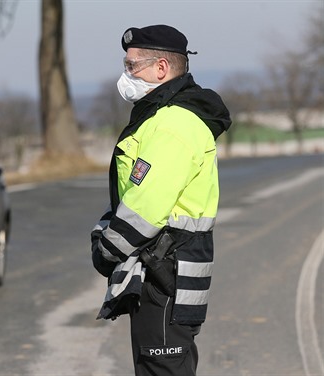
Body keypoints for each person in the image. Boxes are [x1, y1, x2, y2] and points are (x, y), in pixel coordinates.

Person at [90, 24, 231, 375]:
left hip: (165, 271)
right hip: (167, 268)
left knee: (162, 368)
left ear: (161, 69)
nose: (126, 74)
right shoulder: (165, 117)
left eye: (132, 65)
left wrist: (106, 249)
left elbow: (146, 207)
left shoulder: (172, 124)